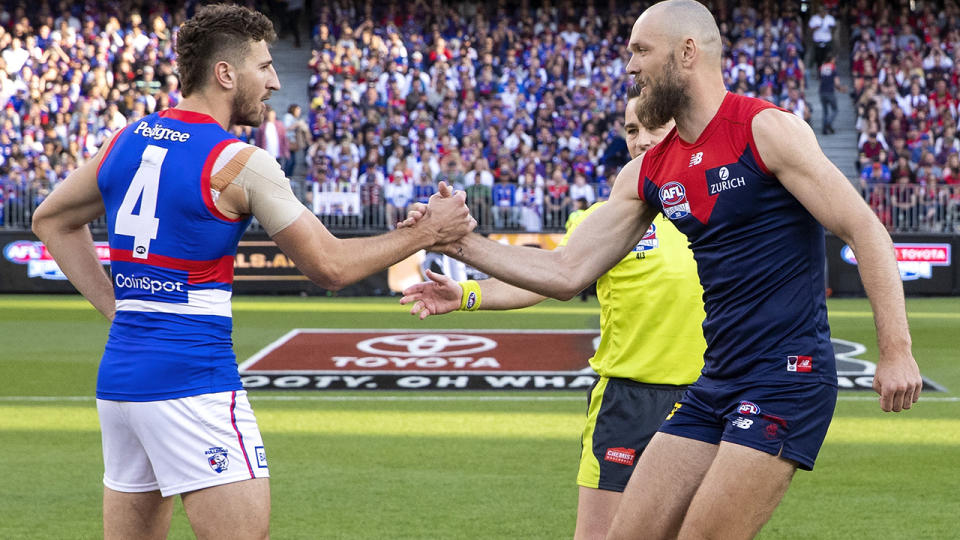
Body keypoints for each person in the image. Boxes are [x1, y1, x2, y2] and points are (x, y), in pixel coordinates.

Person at [421, 2, 922, 538]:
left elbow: (865, 229)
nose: (630, 66)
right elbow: (568, 270)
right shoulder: (651, 170)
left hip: (785, 376)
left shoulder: (765, 129)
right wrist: (459, 243)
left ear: (687, 52)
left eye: (641, 50)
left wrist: (896, 351)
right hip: (715, 381)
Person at [30, 5, 474, 540]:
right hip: (194, 381)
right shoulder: (240, 161)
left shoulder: (126, 140)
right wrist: (426, 233)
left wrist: (119, 309)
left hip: (122, 381)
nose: (274, 81)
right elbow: (329, 267)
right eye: (263, 67)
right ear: (226, 74)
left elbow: (49, 219)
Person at [400, 87, 706, 540]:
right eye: (630, 130)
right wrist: (465, 293)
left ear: (681, 127)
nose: (640, 140)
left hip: (705, 400)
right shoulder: (602, 220)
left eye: (652, 127)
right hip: (628, 403)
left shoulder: (719, 212)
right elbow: (551, 278)